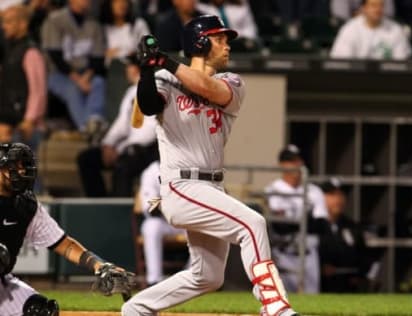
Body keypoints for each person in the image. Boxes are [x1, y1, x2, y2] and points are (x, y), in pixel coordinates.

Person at [121, 15, 300, 316]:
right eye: (220, 38)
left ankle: (137, 308)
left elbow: (207, 88)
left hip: (212, 186)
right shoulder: (166, 78)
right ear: (200, 42)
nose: (227, 45)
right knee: (253, 223)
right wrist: (146, 71)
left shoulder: (231, 82)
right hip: (182, 186)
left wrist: (162, 60)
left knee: (208, 276)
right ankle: (274, 306)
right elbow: (150, 105)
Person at [0, 142, 134, 316]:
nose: (22, 172)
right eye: (14, 167)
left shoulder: (25, 206)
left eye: (24, 167)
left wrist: (100, 265)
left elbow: (65, 244)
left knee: (41, 311)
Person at [77, 56, 158, 197]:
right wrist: (107, 145)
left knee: (123, 166)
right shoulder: (131, 91)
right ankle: (100, 206)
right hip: (129, 147)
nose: (127, 70)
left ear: (136, 68)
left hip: (150, 149)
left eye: (130, 66)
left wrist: (120, 149)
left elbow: (150, 131)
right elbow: (122, 125)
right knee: (87, 159)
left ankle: (119, 214)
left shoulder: (155, 88)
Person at [264, 144, 327, 294]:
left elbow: (321, 225)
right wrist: (304, 220)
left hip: (308, 255)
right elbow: (279, 226)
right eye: (289, 161)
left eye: (296, 160)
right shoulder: (272, 190)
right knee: (283, 298)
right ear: (281, 164)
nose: (293, 165)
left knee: (312, 302)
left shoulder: (314, 191)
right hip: (283, 254)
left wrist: (293, 222)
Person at [41, 0, 106, 133]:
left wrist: (86, 78)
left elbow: (97, 58)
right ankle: (86, 129)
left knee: (99, 82)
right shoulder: (55, 20)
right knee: (72, 89)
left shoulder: (94, 23)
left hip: (86, 73)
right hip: (57, 73)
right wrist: (78, 80)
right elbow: (55, 56)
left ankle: (94, 119)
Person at [317, 178, 379, 293]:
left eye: (341, 195)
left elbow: (363, 254)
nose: (338, 199)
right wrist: (319, 267)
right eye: (332, 195)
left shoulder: (351, 226)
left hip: (348, 286)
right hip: (319, 286)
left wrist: (361, 275)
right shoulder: (312, 226)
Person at [0, 5, 47, 151]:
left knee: (19, 171)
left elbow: (38, 91)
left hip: (25, 126)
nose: (4, 26)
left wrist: (29, 120)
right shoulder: (9, 50)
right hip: (9, 122)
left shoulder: (31, 52)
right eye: (3, 22)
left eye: (9, 22)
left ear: (23, 24)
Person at [139, 161, 186, 286]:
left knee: (206, 228)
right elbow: (151, 206)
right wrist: (169, 202)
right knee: (151, 227)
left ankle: (191, 279)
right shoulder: (152, 171)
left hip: (186, 220)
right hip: (163, 220)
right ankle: (154, 280)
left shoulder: (187, 164)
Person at [330, 0, 412, 60]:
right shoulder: (349, 29)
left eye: (381, 5)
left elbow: (402, 63)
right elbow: (342, 63)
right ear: (364, 8)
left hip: (388, 80)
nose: (378, 9)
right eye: (373, 5)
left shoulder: (395, 30)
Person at [100, 0, 151, 65]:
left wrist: (134, 56)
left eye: (124, 1)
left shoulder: (139, 24)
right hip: (112, 69)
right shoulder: (104, 28)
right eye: (117, 1)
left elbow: (149, 49)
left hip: (136, 66)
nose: (122, 4)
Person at [331, 0, 395, 22]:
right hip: (351, 29)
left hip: (382, 30)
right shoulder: (348, 31)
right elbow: (340, 15)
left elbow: (389, 13)